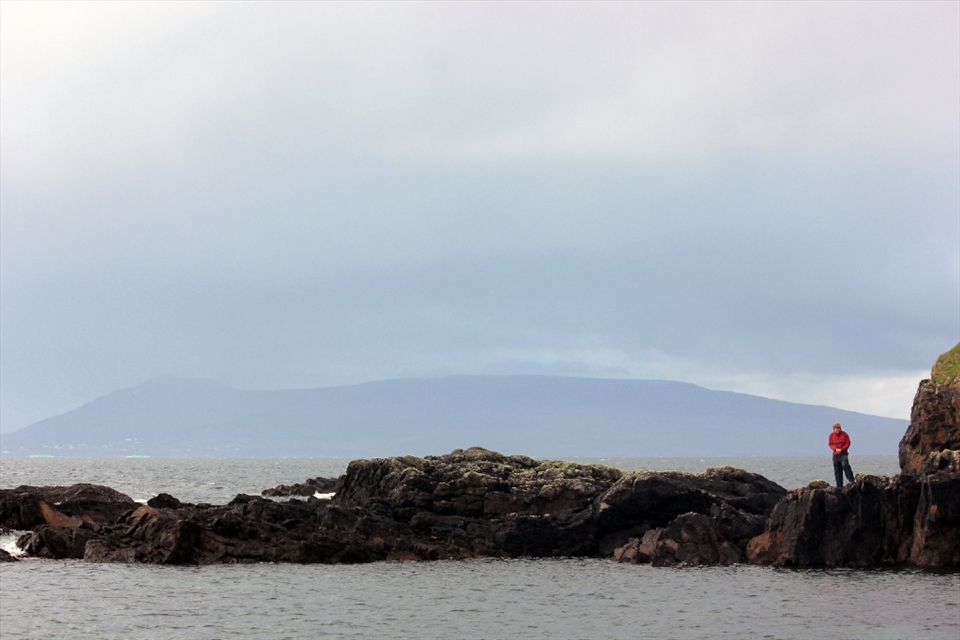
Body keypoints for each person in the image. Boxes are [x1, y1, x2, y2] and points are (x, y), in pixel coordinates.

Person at [829, 423, 855, 488]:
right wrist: (835, 449)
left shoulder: (845, 435)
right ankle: (839, 485)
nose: (837, 430)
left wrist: (842, 449)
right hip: (836, 454)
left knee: (846, 466)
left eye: (838, 428)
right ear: (834, 429)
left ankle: (851, 480)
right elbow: (830, 444)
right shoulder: (831, 435)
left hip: (843, 454)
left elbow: (847, 443)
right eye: (836, 429)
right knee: (837, 469)